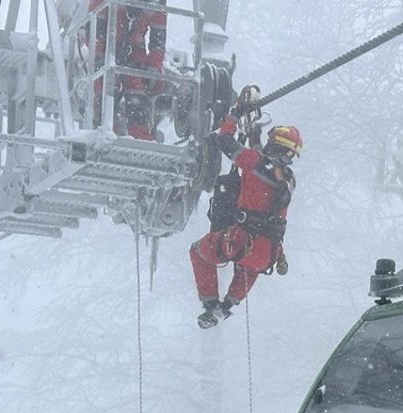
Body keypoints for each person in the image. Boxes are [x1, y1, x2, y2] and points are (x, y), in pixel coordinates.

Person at [189, 103, 301, 329]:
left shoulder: (253, 162)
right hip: (268, 252)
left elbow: (225, 139)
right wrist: (254, 135)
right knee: (249, 268)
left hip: (240, 242)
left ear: (274, 144)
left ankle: (211, 304)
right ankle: (228, 306)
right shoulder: (289, 180)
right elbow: (266, 164)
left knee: (199, 251)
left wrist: (235, 113)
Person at [88, 0, 167, 140]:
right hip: (107, 50)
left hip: (134, 55)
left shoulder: (156, 4)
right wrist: (100, 57)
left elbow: (158, 38)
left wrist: (154, 68)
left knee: (137, 99)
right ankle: (103, 135)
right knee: (105, 95)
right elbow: (96, 27)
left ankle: (141, 143)